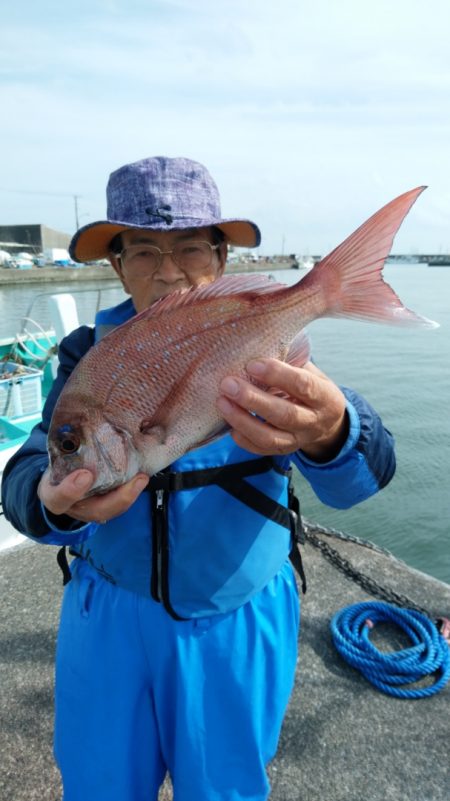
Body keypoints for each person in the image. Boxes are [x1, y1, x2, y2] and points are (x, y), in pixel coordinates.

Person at [2, 156, 396, 801]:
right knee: (98, 783)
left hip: (237, 615)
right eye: (144, 251)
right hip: (106, 613)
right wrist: (52, 504)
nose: (168, 270)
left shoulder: (261, 350)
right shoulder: (82, 356)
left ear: (220, 262)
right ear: (116, 265)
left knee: (224, 788)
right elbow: (26, 473)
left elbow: (357, 485)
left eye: (190, 248)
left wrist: (331, 429)